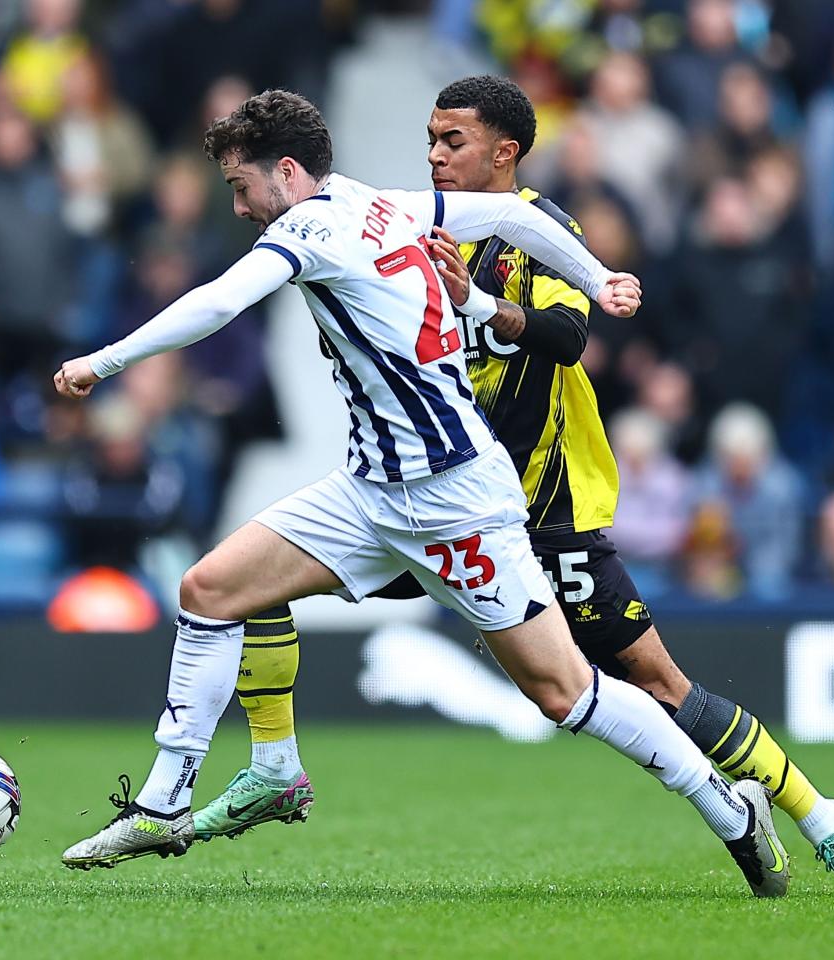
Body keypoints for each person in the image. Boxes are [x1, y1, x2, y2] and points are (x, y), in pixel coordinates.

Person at [54, 88, 788, 896]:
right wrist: (600, 275)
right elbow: (508, 215)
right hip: (370, 490)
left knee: (565, 692)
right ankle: (176, 799)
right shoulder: (376, 203)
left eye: (241, 186)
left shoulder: (307, 227)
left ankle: (729, 808)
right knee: (210, 590)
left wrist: (102, 362)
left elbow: (220, 301)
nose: (239, 207)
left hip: (454, 499)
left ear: (288, 172)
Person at [192, 78, 834, 897]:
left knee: (656, 683)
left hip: (541, 508)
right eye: (430, 139)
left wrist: (478, 304)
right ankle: (274, 769)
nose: (434, 155)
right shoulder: (403, 226)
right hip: (429, 502)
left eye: (453, 141)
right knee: (249, 583)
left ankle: (823, 817)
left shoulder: (540, 230)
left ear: (505, 152)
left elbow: (567, 336)